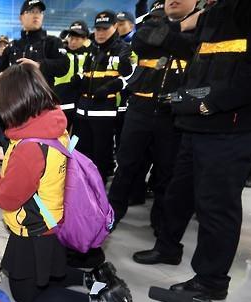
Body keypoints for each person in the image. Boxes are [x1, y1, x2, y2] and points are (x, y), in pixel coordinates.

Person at [0, 64, 144, 302]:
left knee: (28, 295)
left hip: (33, 228)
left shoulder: (28, 148)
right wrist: (3, 154)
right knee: (53, 272)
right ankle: (98, 279)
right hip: (51, 219)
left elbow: (6, 197)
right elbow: (37, 167)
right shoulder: (50, 125)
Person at [133, 0, 251, 300]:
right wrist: (178, 26)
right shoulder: (213, 13)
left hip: (233, 125)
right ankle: (167, 248)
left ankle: (211, 280)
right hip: (196, 122)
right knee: (178, 193)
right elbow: (193, 58)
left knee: (216, 205)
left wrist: (206, 102)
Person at [108, 0, 197, 235]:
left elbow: (190, 49)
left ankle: (161, 224)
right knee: (125, 166)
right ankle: (111, 214)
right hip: (140, 108)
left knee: (166, 172)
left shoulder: (203, 28)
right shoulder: (152, 22)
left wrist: (165, 37)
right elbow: (142, 41)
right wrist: (180, 29)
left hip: (174, 114)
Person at [73, 10, 133, 184]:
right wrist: (79, 80)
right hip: (83, 111)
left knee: (102, 155)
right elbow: (83, 72)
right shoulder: (92, 50)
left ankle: (98, 187)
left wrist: (108, 88)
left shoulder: (123, 50)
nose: (100, 33)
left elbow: (129, 77)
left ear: (115, 27)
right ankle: (83, 184)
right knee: (82, 151)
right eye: (98, 28)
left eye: (105, 29)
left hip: (104, 112)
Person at [0, 0, 69, 87]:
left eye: (39, 12)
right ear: (21, 18)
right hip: (16, 98)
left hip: (43, 98)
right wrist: (2, 75)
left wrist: (38, 65)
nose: (36, 15)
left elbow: (64, 66)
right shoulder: (13, 46)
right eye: (31, 11)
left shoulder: (52, 42)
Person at [53, 21, 89, 133]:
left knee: (78, 138)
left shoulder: (90, 55)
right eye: (71, 38)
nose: (72, 42)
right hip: (62, 103)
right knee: (60, 136)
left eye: (77, 39)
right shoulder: (60, 54)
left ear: (85, 39)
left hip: (82, 105)